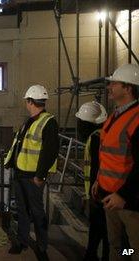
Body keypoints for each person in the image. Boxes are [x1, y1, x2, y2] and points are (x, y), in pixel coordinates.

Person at [4, 84, 59, 260]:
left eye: (26, 101)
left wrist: (40, 175)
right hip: (20, 173)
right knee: (21, 210)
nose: (26, 104)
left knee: (37, 212)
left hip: (34, 176)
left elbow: (50, 151)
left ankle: (42, 247)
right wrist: (10, 163)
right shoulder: (29, 121)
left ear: (30, 101)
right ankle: (22, 241)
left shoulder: (48, 121)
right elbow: (20, 145)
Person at [91, 63, 139, 261]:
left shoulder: (136, 118)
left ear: (128, 88)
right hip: (110, 197)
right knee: (117, 247)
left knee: (135, 250)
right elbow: (109, 156)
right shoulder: (115, 116)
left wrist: (123, 194)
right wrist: (98, 181)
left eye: (114, 84)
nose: (109, 88)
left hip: (129, 202)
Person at [76, 101, 109, 261]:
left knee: (107, 234)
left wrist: (93, 195)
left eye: (81, 122)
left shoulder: (96, 138)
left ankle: (126, 256)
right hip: (98, 194)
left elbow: (98, 168)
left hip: (101, 195)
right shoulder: (98, 136)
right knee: (100, 231)